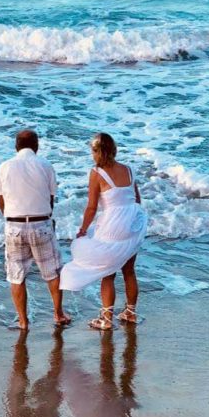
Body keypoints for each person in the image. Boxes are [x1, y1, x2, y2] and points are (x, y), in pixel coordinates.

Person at [60, 132, 147, 330]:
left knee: (108, 273)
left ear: (98, 152)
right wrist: (131, 221)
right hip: (133, 221)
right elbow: (137, 199)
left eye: (93, 150)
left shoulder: (97, 172)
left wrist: (83, 229)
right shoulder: (129, 170)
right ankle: (130, 313)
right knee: (129, 270)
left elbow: (91, 207)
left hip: (112, 225)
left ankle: (106, 319)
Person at [0, 128, 71, 331]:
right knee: (52, 272)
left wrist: (11, 218)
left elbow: (1, 200)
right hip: (41, 223)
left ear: (16, 146)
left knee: (16, 275)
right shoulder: (46, 165)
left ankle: (23, 321)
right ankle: (58, 314)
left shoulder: (5, 166)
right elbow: (51, 198)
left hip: (14, 225)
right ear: (36, 146)